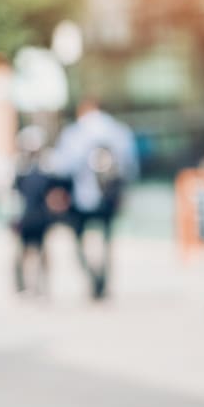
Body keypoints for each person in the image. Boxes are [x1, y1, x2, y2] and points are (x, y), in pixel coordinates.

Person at [51, 97, 139, 300]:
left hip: (81, 197)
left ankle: (93, 278)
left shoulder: (74, 133)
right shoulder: (119, 131)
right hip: (110, 195)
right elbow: (130, 166)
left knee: (79, 239)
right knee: (107, 241)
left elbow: (63, 167)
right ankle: (104, 280)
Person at [11, 125, 57, 298]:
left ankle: (42, 285)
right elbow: (14, 194)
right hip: (25, 215)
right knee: (22, 253)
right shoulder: (19, 166)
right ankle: (22, 286)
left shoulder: (47, 165)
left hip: (41, 215)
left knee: (42, 250)